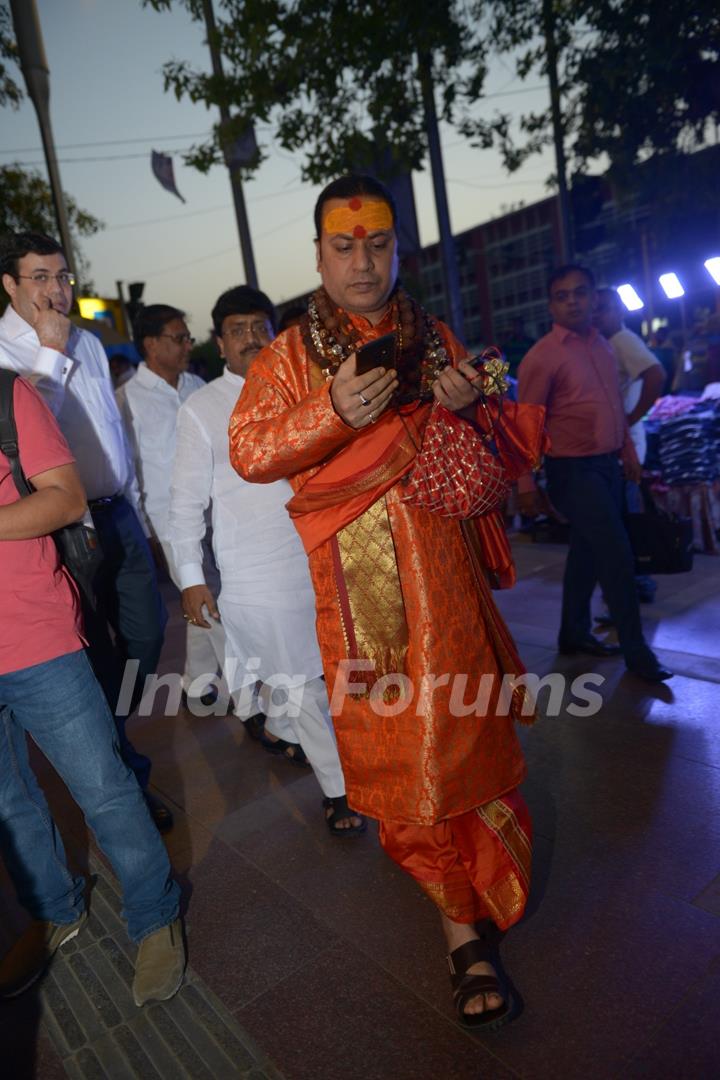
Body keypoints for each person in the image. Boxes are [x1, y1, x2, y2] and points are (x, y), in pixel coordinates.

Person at [228, 175, 545, 1029]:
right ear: (320, 255)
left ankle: (479, 894)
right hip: (371, 608)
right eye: (344, 245)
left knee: (470, 744)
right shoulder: (290, 354)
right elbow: (251, 451)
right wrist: (328, 411)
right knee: (414, 765)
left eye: (377, 244)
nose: (363, 262)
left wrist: (468, 404)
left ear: (397, 247)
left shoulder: (428, 334)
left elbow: (478, 449)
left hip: (452, 587)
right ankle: (461, 934)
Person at [0, 373, 184, 1006]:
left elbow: (67, 499)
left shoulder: (7, 395)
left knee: (102, 788)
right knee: (7, 801)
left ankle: (155, 916)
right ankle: (55, 910)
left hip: (35, 638)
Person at [166, 285, 365, 834]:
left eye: (261, 327)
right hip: (256, 571)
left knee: (313, 672)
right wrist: (190, 577)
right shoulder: (201, 409)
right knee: (302, 678)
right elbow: (182, 505)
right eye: (238, 330)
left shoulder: (312, 390)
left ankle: (279, 729)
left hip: (322, 553)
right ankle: (339, 791)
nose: (252, 339)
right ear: (220, 344)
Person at [0, 232, 172, 831]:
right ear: (10, 285)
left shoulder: (91, 343)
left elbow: (110, 436)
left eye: (63, 277)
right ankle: (125, 776)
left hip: (118, 510)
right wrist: (47, 352)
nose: (56, 290)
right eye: (41, 278)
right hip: (64, 530)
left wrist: (142, 514)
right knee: (95, 653)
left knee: (149, 635)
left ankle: (112, 737)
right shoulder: (3, 352)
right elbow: (29, 444)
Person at [517, 265, 672, 682]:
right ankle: (639, 655)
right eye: (562, 295)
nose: (572, 302)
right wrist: (526, 484)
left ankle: (573, 634)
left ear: (592, 299)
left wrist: (626, 451)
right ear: (551, 304)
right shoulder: (543, 356)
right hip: (571, 471)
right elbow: (524, 426)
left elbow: (613, 407)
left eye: (579, 293)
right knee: (617, 556)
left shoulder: (603, 346)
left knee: (586, 555)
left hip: (607, 466)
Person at [118, 304, 226, 708]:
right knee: (214, 604)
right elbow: (129, 474)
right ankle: (258, 701)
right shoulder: (127, 401)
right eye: (177, 338)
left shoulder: (197, 385)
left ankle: (196, 683)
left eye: (187, 337)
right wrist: (144, 534)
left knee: (203, 601)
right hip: (168, 524)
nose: (186, 345)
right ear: (150, 344)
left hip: (215, 513)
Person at [594, 287, 665, 604]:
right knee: (622, 522)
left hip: (626, 450)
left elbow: (655, 375)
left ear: (619, 311)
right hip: (619, 446)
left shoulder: (622, 340)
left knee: (624, 524)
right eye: (596, 310)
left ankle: (635, 588)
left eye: (605, 309)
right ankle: (634, 587)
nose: (598, 316)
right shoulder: (605, 343)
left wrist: (630, 419)